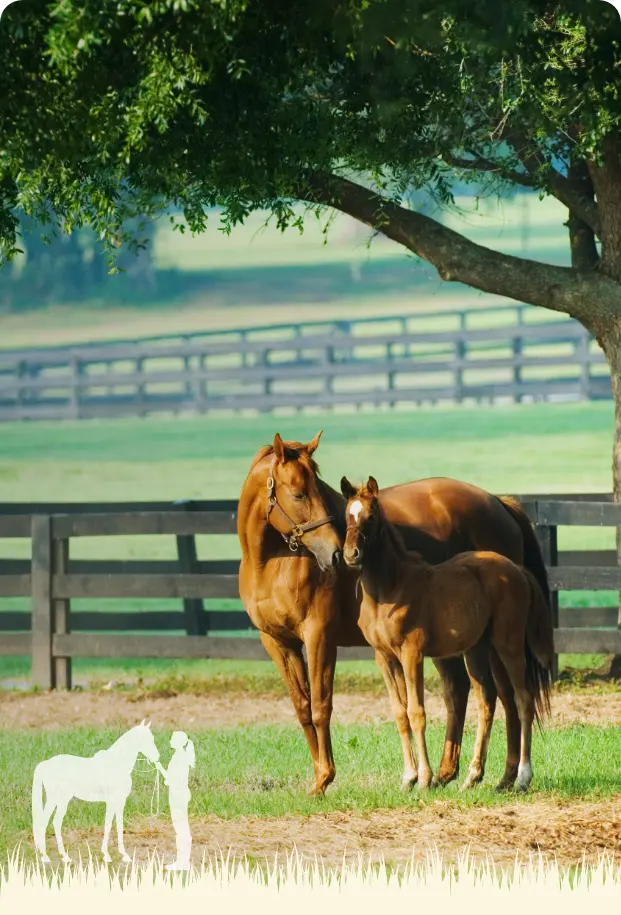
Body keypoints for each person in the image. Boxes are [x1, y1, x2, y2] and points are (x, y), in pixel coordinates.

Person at [155, 731, 195, 870]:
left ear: (178, 742)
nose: (170, 741)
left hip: (178, 795)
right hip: (180, 794)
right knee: (182, 827)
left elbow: (173, 779)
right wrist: (160, 768)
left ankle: (182, 863)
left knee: (181, 827)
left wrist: (160, 769)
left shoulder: (178, 758)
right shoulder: (180, 757)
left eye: (172, 738)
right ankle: (183, 861)